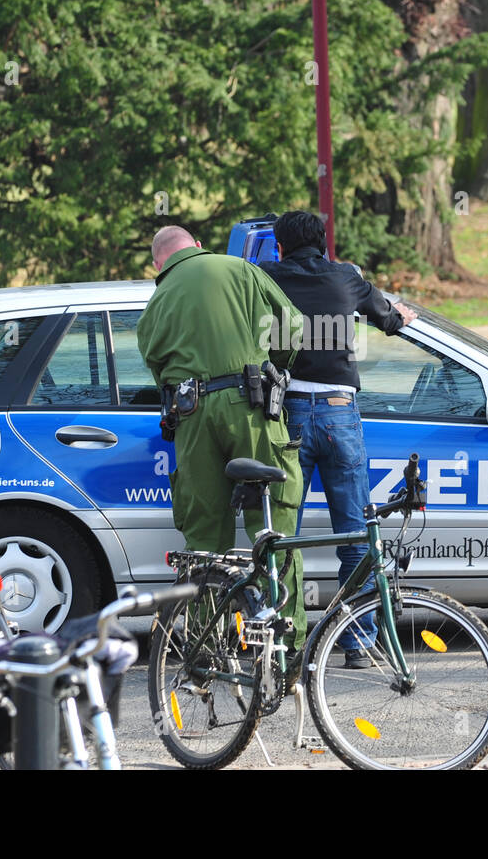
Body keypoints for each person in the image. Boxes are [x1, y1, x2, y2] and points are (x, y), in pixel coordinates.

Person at [136, 225, 309, 654]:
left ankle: (205, 648)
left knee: (203, 539)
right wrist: (274, 366)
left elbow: (156, 365)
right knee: (273, 527)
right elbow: (293, 325)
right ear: (197, 245)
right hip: (248, 405)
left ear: (159, 263)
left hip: (191, 416)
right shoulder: (239, 269)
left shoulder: (156, 302)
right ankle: (285, 648)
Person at [260, 211, 416, 668]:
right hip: (338, 413)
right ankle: (357, 643)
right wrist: (400, 315)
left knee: (282, 535)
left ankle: (282, 643)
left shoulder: (265, 277)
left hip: (287, 415)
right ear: (324, 242)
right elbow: (390, 321)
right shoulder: (346, 277)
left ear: (280, 246)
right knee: (354, 532)